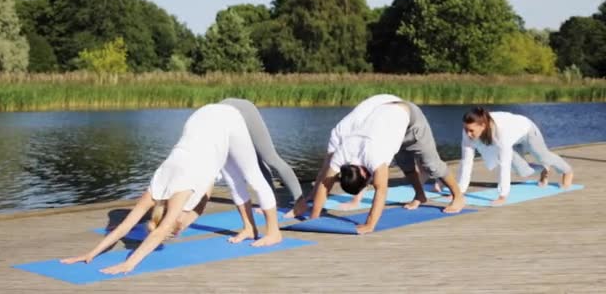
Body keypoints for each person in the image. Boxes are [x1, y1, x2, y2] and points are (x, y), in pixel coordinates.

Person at [60, 104, 282, 275]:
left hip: (225, 119)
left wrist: (129, 263)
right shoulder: (155, 191)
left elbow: (160, 230)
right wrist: (90, 253)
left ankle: (274, 233)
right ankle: (250, 229)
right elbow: (123, 226)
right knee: (233, 180)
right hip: (199, 123)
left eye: (172, 231)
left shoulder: (180, 192)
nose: (173, 233)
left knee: (252, 175)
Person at [291, 94, 465, 233]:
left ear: (366, 175)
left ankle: (458, 196)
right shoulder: (343, 153)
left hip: (411, 120)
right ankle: (420, 195)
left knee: (431, 165)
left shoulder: (374, 155)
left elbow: (381, 191)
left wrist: (369, 224)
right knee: (406, 166)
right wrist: (315, 218)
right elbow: (325, 183)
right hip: (389, 124)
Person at [458, 107, 574, 206]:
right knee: (523, 172)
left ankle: (567, 171)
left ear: (483, 125)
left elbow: (504, 165)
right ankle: (543, 169)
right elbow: (466, 162)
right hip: (510, 137)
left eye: (471, 130)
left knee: (543, 157)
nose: (468, 133)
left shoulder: (501, 132)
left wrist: (503, 196)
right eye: (465, 129)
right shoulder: (467, 133)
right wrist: (459, 192)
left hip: (527, 130)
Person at [220, 98, 303, 218]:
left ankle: (300, 202)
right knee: (257, 161)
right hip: (229, 115)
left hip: (243, 110)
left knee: (271, 158)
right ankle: (272, 202)